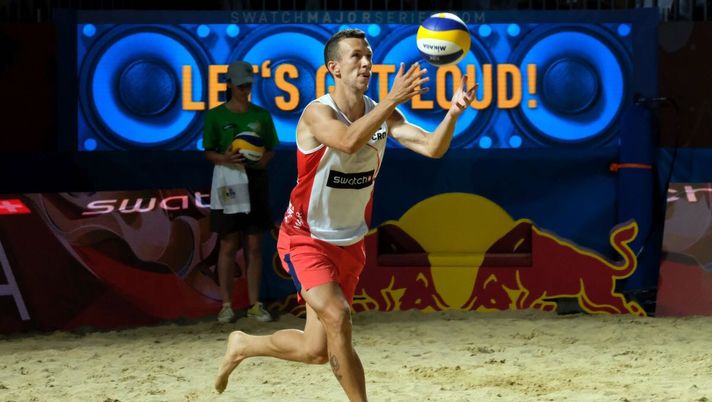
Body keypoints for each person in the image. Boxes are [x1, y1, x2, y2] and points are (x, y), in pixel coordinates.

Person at [215, 29, 477, 400]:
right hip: (306, 238)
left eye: (368, 56)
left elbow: (433, 148)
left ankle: (243, 344)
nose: (366, 62)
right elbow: (348, 141)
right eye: (356, 56)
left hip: (350, 241)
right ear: (334, 68)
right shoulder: (317, 113)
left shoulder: (381, 112)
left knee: (316, 350)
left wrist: (453, 113)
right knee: (338, 316)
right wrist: (391, 100)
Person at [203, 60, 280, 323]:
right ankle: (226, 305)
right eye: (240, 85)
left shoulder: (261, 115)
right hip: (228, 180)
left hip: (255, 180)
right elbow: (209, 152)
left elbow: (270, 149)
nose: (245, 89)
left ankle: (255, 304)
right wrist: (224, 158)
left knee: (255, 244)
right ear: (229, 85)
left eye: (248, 85)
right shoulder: (215, 115)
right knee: (229, 243)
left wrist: (262, 161)